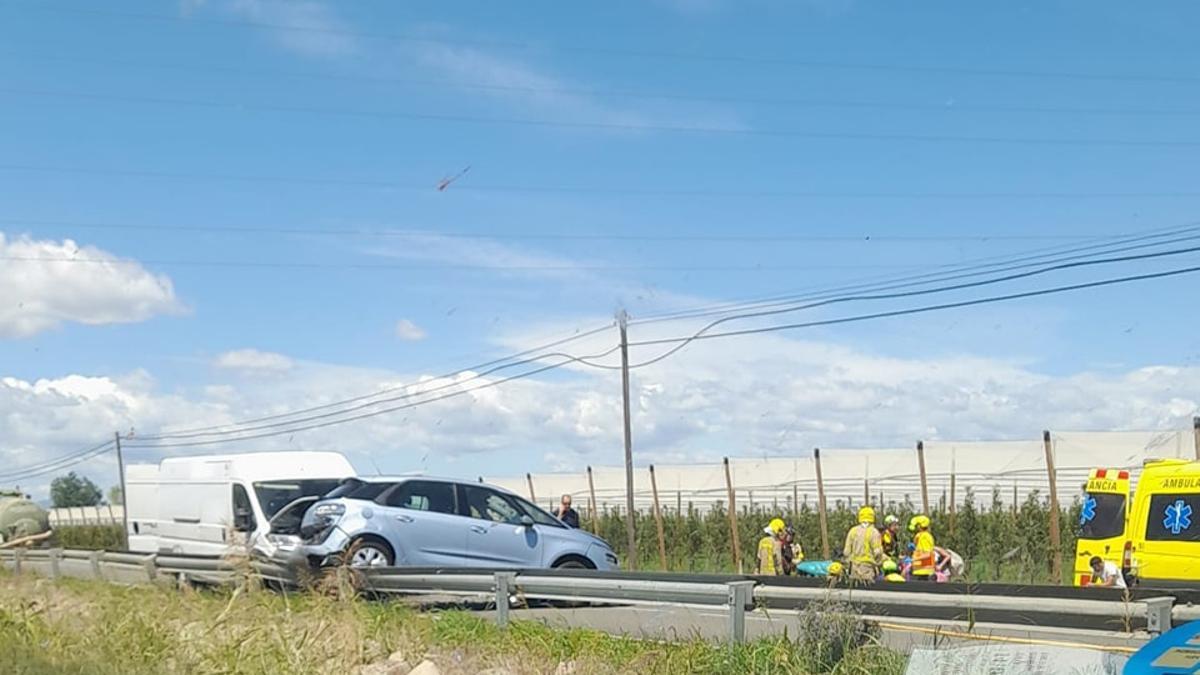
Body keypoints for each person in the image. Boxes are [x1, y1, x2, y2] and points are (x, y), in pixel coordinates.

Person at [843, 506, 884, 583]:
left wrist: (850, 562)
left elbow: (846, 552)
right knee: (867, 590)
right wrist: (879, 563)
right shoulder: (874, 532)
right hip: (867, 569)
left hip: (854, 568)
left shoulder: (853, 531)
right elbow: (877, 552)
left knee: (855, 590)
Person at [909, 515, 936, 581]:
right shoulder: (930, 536)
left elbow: (915, 544)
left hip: (919, 563)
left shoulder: (918, 535)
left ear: (919, 526)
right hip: (929, 564)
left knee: (917, 583)